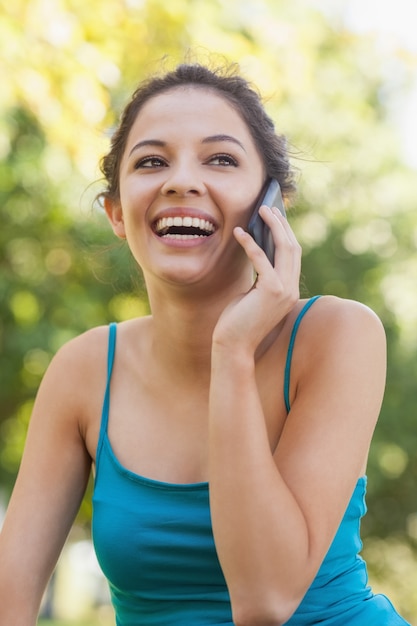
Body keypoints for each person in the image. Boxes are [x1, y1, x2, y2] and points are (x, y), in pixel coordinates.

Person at [0, 62, 410, 626]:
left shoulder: (339, 335)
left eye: (221, 159)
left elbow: (265, 601)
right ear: (117, 213)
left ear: (273, 206)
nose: (180, 181)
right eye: (150, 162)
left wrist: (234, 352)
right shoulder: (84, 370)